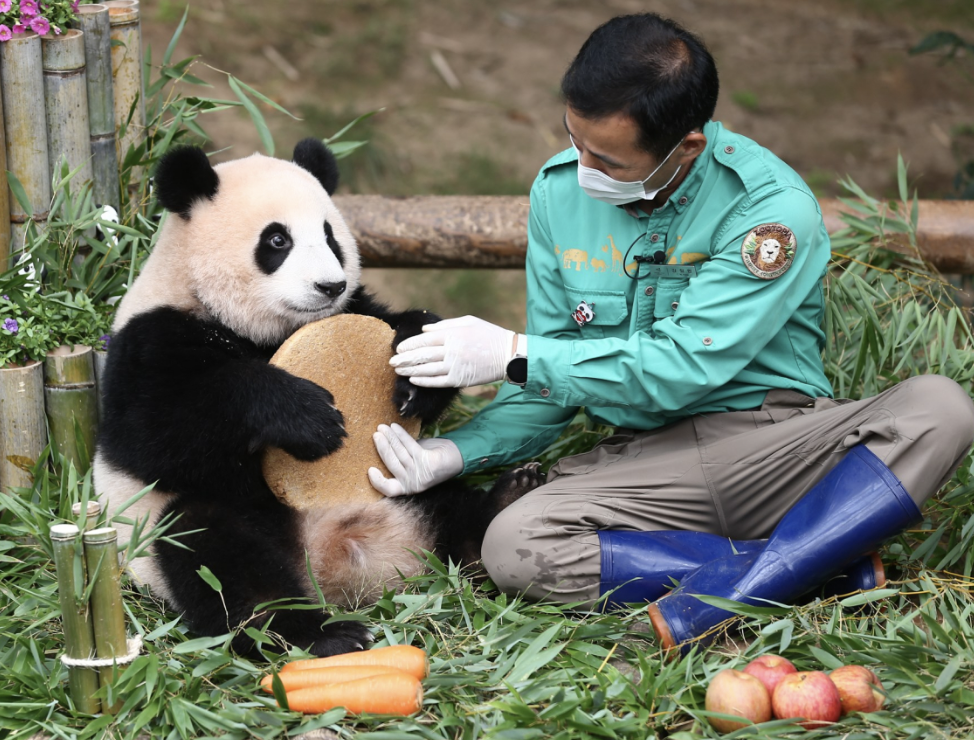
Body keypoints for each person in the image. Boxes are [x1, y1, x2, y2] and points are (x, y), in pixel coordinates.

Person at [367, 13, 974, 650]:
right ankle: (814, 568)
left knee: (940, 409)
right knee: (514, 544)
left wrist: (517, 354)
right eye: (574, 140)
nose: (582, 169)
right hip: (646, 467)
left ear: (686, 147)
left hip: (772, 450)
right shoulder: (558, 194)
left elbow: (680, 368)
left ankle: (718, 599)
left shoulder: (768, 210)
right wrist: (456, 453)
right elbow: (551, 379)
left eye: (607, 159)